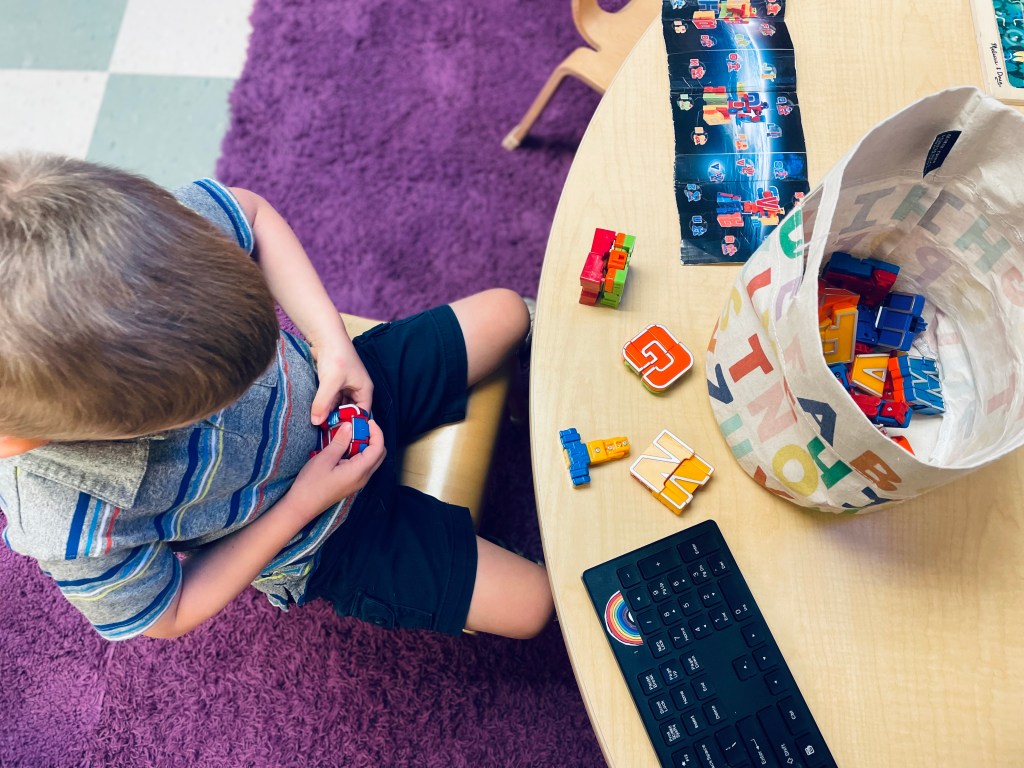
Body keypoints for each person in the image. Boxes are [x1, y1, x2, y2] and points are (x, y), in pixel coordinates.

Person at [0, 153, 553, 641]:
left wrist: (332, 343)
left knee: (507, 313)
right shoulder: (63, 525)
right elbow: (169, 613)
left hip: (344, 386)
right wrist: (303, 503)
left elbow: (254, 214)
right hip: (323, 538)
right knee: (534, 606)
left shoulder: (130, 240)